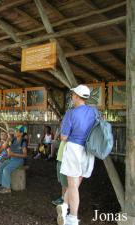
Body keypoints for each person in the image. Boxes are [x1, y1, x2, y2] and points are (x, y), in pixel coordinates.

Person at [56, 85, 96, 225]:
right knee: (76, 184)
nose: (71, 97)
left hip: (74, 150)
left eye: (73, 95)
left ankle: (72, 218)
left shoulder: (70, 113)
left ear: (78, 97)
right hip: (88, 150)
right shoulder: (94, 112)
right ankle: (64, 206)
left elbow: (64, 137)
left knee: (72, 186)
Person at [0, 127, 28, 194]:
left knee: (6, 170)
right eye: (15, 131)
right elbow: (4, 148)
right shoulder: (13, 140)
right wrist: (7, 140)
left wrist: (14, 154)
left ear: (21, 133)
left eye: (17, 131)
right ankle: (3, 185)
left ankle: (7, 188)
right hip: (11, 159)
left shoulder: (23, 142)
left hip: (19, 160)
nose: (14, 132)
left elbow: (25, 155)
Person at [51, 140, 68, 206]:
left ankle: (65, 200)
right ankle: (63, 198)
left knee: (65, 182)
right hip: (61, 158)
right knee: (63, 181)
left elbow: (64, 137)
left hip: (65, 159)